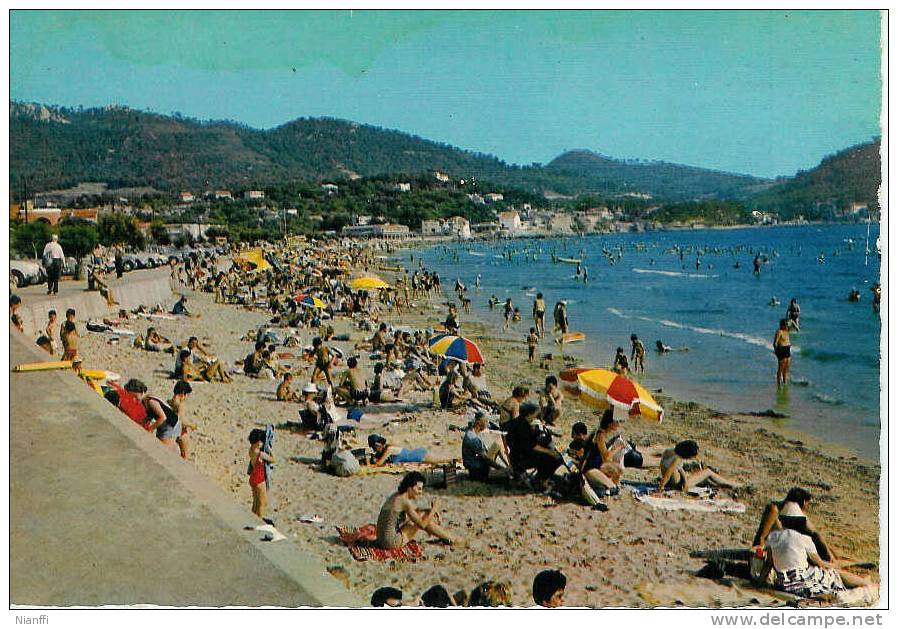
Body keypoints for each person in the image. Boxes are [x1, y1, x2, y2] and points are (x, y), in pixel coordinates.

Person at [759, 518, 869, 598]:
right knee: (833, 573)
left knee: (820, 571)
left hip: (783, 582)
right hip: (801, 582)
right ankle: (864, 583)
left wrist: (759, 582)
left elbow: (769, 564)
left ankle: (861, 581)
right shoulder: (804, 538)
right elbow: (820, 563)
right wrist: (834, 566)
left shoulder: (773, 537)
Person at [753, 487, 839, 563]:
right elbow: (762, 537)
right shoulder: (774, 509)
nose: (806, 507)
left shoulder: (797, 513)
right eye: (807, 504)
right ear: (803, 502)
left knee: (829, 550)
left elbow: (815, 533)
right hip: (774, 549)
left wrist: (829, 553)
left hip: (786, 547)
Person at [375, 471, 452, 549]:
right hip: (390, 542)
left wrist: (429, 511)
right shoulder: (405, 501)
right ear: (409, 488)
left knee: (422, 514)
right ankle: (450, 538)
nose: (420, 492)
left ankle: (445, 537)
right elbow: (422, 524)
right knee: (423, 518)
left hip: (381, 539)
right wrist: (434, 509)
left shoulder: (397, 496)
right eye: (418, 489)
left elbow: (414, 511)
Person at [656, 440, 741, 494]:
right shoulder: (677, 459)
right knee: (708, 472)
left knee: (704, 477)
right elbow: (667, 475)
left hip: (674, 481)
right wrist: (660, 489)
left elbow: (674, 469)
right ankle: (731, 484)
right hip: (678, 484)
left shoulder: (668, 452)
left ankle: (722, 483)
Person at [144, 381, 193, 459]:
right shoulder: (179, 403)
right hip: (174, 429)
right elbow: (180, 420)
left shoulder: (169, 401)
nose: (186, 397)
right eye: (187, 395)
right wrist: (192, 425)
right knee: (182, 455)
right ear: (183, 393)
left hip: (167, 427)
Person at [462, 412, 510, 481]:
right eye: (486, 421)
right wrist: (501, 468)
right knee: (507, 475)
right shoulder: (473, 439)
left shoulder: (471, 433)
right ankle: (507, 469)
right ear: (478, 423)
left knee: (497, 444)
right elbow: (486, 459)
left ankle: (509, 466)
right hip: (478, 472)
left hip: (478, 465)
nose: (488, 424)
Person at [248, 428, 276, 519]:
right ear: (258, 442)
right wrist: (269, 449)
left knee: (255, 503)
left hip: (253, 478)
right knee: (261, 503)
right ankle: (259, 521)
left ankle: (252, 519)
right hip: (259, 479)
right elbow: (273, 459)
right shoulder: (260, 454)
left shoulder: (251, 450)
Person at [368, 434, 433, 466]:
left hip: (419, 456)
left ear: (378, 445)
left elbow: (379, 463)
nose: (374, 450)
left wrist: (370, 460)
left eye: (374, 448)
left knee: (442, 460)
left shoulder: (389, 449)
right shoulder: (386, 449)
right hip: (418, 454)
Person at [774, 318, 791, 386]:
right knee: (780, 369)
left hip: (788, 350)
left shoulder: (787, 331)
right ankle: (778, 384)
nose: (787, 325)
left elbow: (795, 327)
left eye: (787, 324)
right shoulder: (779, 332)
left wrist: (791, 321)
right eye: (786, 324)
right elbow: (775, 343)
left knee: (786, 369)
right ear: (783, 325)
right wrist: (777, 352)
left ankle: (785, 382)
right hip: (782, 350)